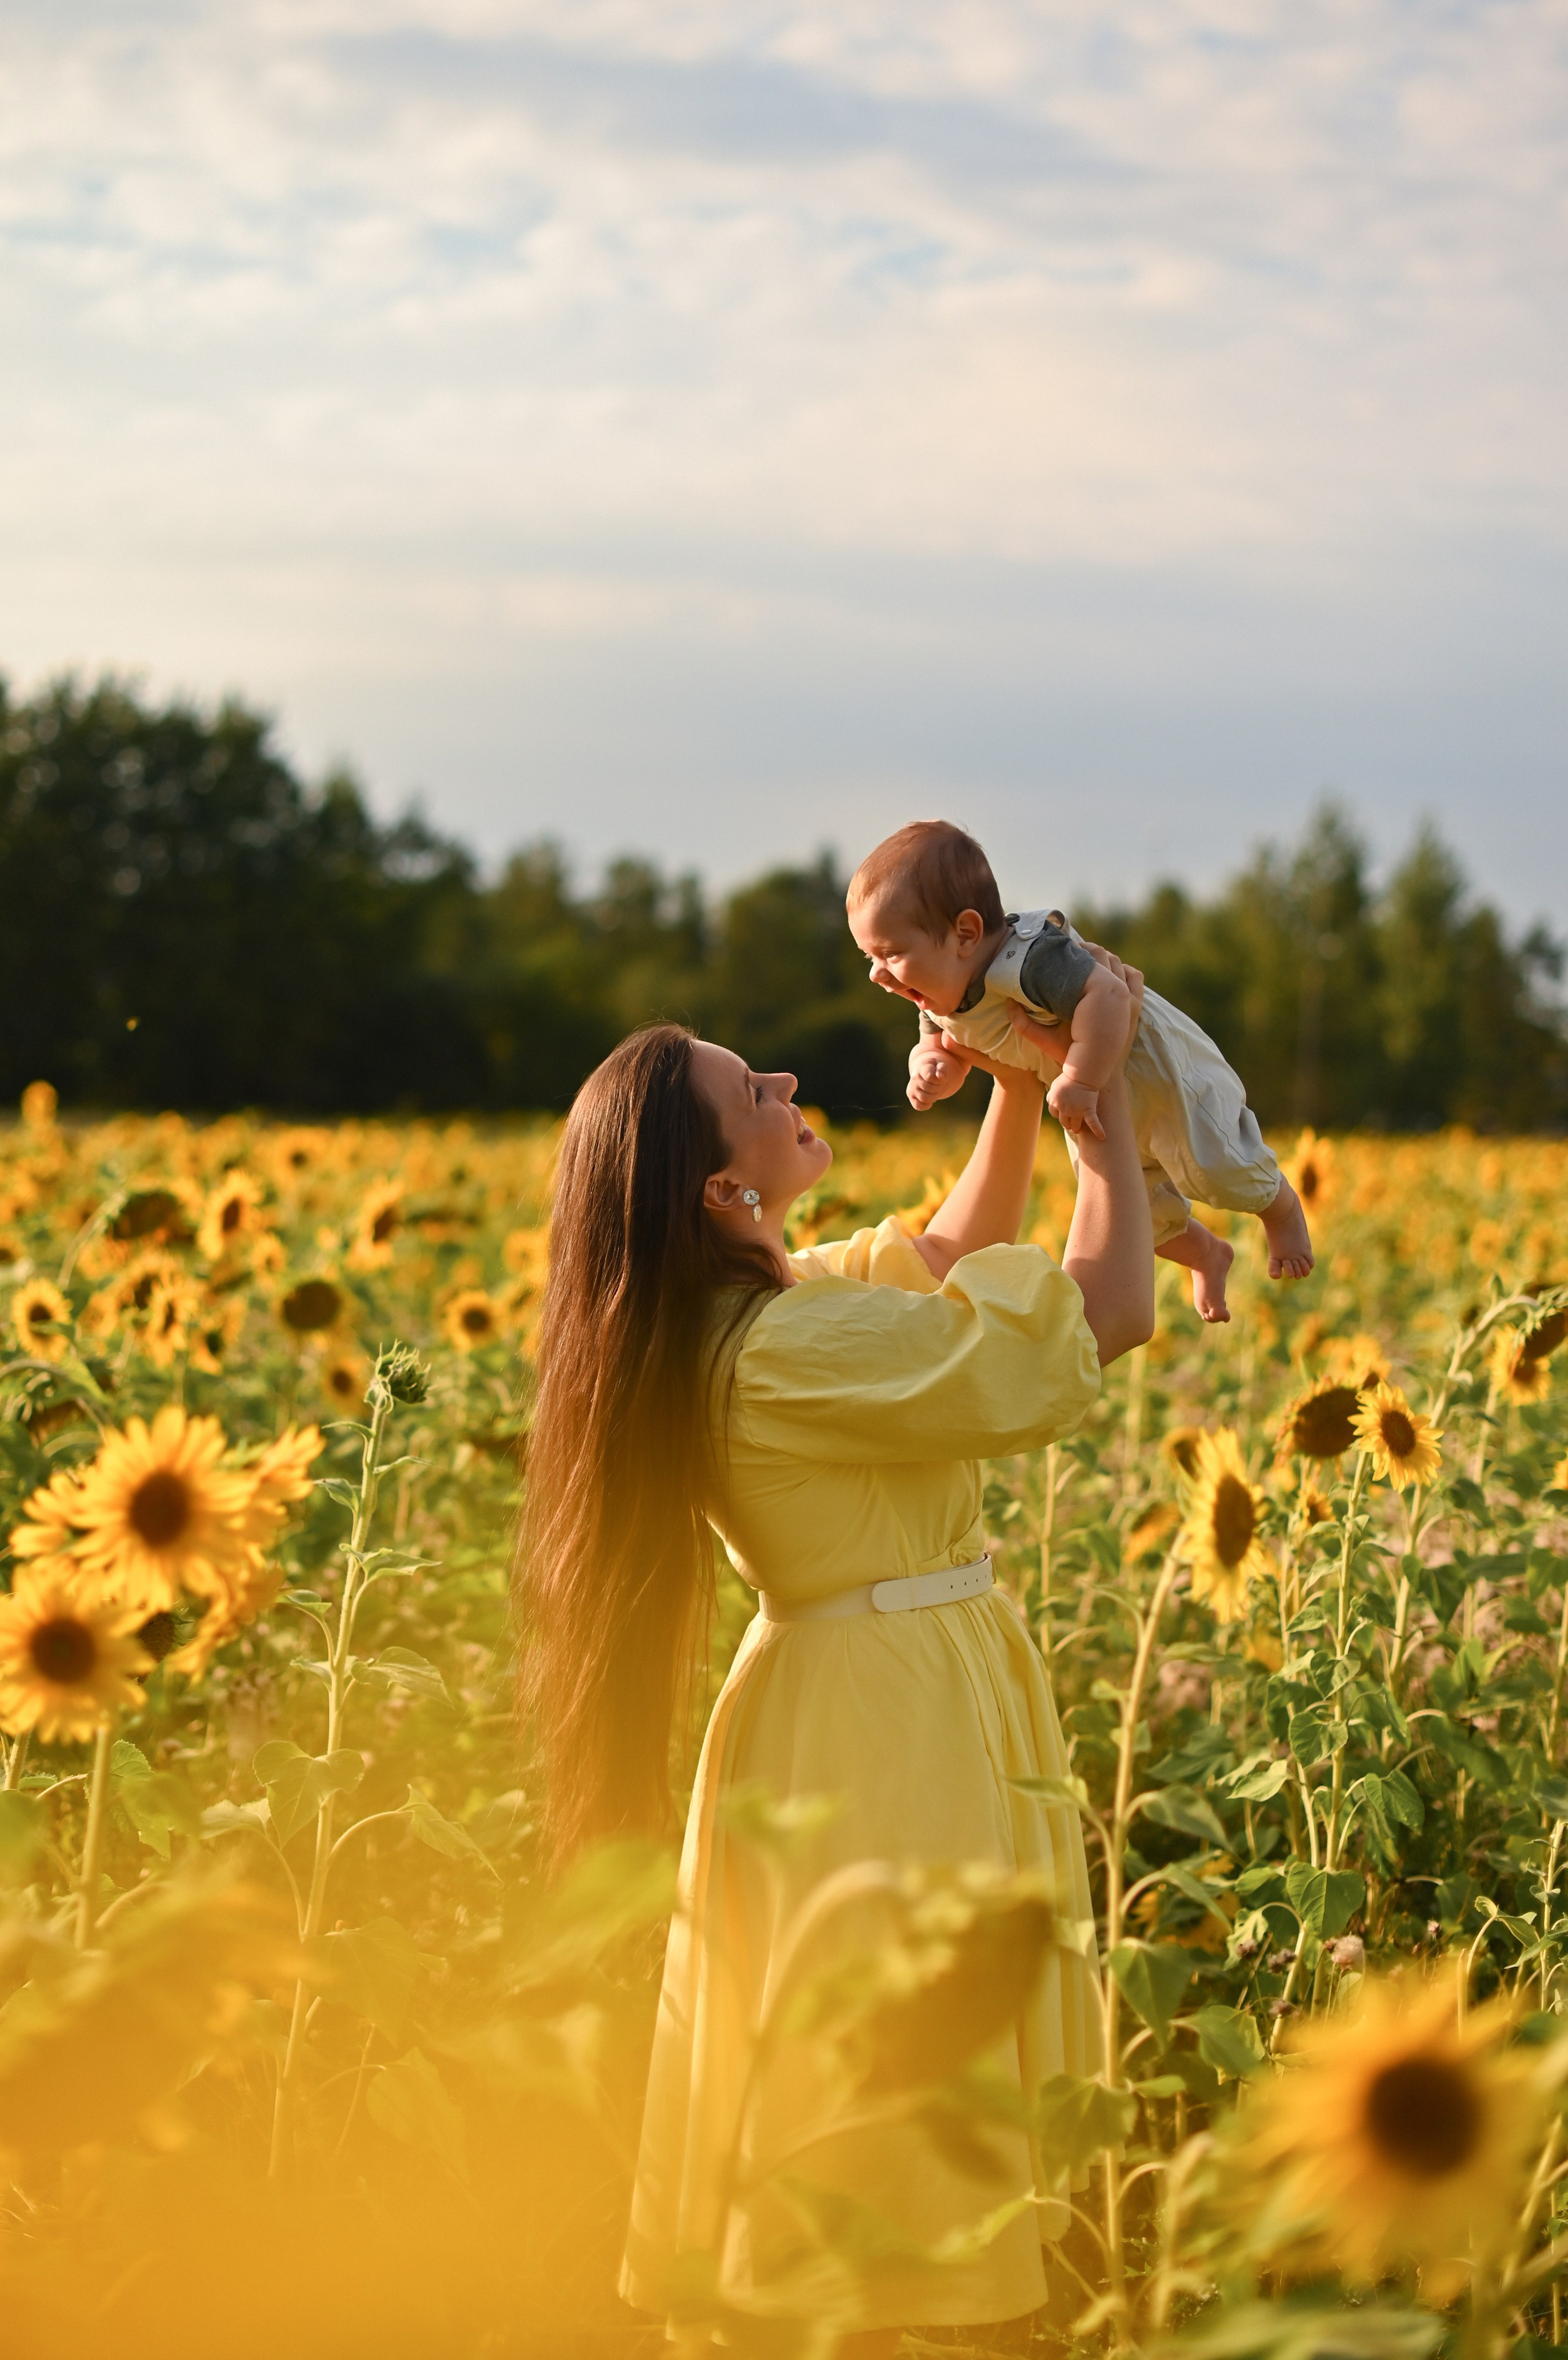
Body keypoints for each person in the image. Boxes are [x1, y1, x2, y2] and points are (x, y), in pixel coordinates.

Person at [512, 968, 1154, 2356]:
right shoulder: (783, 1347)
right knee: (899, 2096)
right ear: (713, 1189)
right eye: (753, 1092)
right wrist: (1099, 1125)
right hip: (886, 1732)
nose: (788, 1086)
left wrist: (1008, 1083)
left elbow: (941, 1249)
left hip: (875, 1685)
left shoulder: (760, 1312)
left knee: (884, 2071)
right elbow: (1100, 1317)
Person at [847, 817, 1314, 1323]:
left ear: (966, 933)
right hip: (1083, 1095)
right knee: (1132, 1215)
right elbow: (940, 1040)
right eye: (869, 957)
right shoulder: (939, 991)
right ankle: (1207, 1254)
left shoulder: (1031, 961)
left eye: (890, 954)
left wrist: (1083, 1079)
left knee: (1217, 1166)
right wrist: (932, 1064)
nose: (877, 973)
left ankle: (1282, 1210)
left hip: (1151, 1071)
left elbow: (1112, 994)